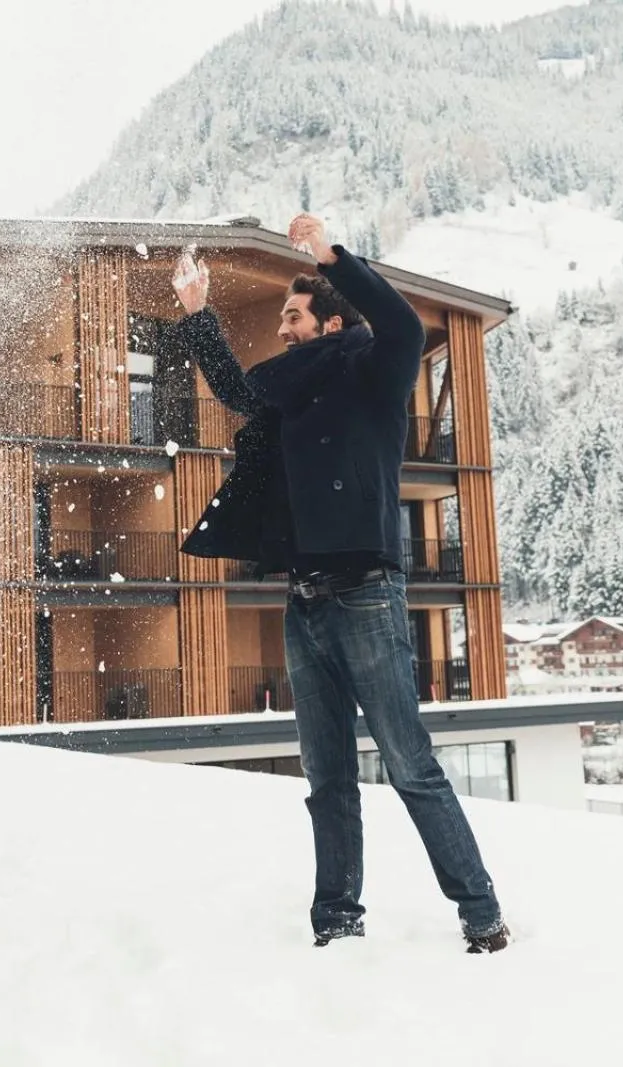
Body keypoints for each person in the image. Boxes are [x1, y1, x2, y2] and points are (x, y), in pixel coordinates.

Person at [170, 213, 509, 953]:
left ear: (328, 321)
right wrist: (198, 312)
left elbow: (403, 324)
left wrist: (331, 255)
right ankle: (338, 920)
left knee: (410, 763)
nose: (284, 328)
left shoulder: (373, 370)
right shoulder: (289, 394)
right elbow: (232, 386)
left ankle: (480, 910)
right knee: (326, 779)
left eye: (294, 315)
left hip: (365, 593)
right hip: (305, 600)